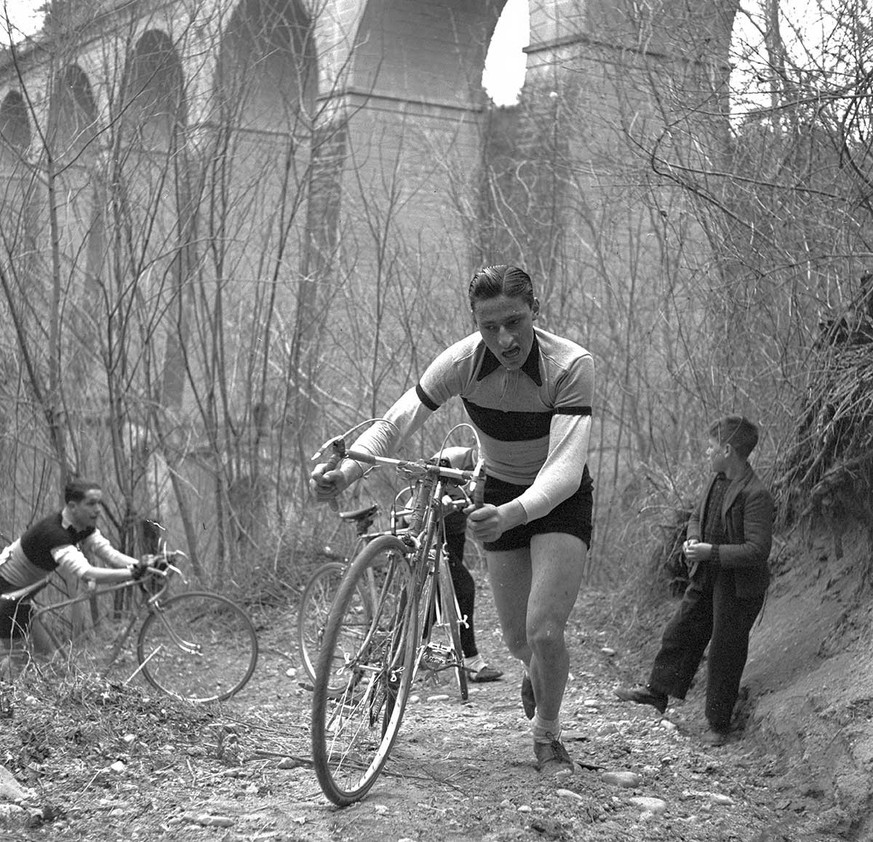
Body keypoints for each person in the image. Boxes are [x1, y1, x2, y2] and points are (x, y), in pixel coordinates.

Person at [311, 264, 594, 774]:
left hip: (557, 496)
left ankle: (547, 737)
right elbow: (395, 422)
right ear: (476, 325)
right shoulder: (461, 362)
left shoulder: (570, 365)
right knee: (517, 640)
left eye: (515, 322)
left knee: (545, 629)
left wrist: (510, 514)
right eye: (490, 327)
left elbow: (566, 469)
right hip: (499, 489)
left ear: (536, 311)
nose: (504, 339)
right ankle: (537, 673)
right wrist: (348, 470)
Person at [615, 415, 773, 747]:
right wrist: (693, 539)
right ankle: (657, 692)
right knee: (681, 629)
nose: (706, 452)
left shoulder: (755, 494)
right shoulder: (716, 479)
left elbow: (757, 551)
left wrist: (710, 551)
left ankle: (719, 724)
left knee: (725, 652)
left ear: (728, 449)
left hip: (737, 585)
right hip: (707, 573)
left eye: (711, 447)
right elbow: (697, 517)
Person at [0, 478, 152, 670]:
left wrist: (145, 564)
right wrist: (132, 573)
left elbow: (110, 554)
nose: (98, 509)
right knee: (20, 664)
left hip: (24, 595)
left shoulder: (81, 527)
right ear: (72, 506)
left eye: (99, 503)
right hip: (8, 597)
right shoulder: (55, 534)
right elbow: (87, 573)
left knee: (48, 660)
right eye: (91, 503)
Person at [436, 446, 503, 683]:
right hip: (431, 532)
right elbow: (419, 496)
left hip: (454, 534)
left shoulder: (497, 469)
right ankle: (471, 660)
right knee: (464, 588)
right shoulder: (452, 458)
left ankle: (399, 651)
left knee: (436, 597)